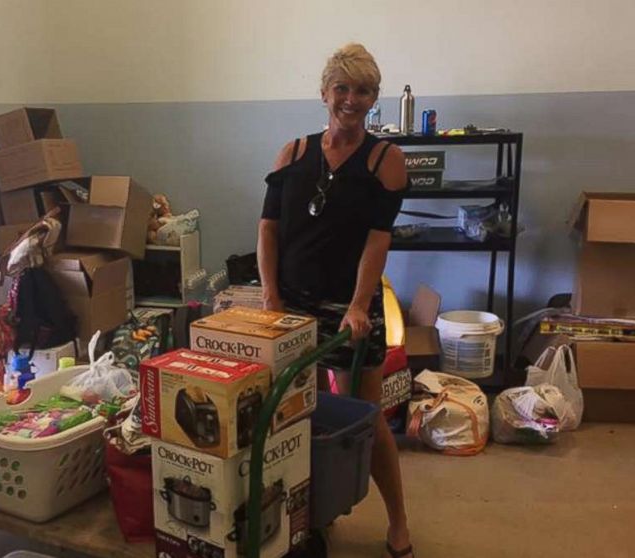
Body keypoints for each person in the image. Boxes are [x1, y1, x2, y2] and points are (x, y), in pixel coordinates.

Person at [257, 43, 412, 558]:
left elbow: (377, 240)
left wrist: (358, 305)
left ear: (373, 99)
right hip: (291, 306)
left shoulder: (386, 161)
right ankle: (309, 516)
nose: (351, 99)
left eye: (362, 90)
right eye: (341, 88)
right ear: (324, 93)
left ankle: (398, 524)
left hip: (351, 311)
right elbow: (268, 229)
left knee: (364, 418)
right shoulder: (293, 154)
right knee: (292, 416)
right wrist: (272, 295)